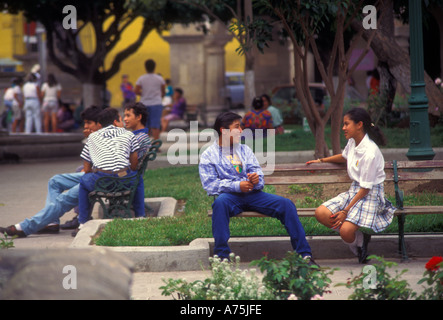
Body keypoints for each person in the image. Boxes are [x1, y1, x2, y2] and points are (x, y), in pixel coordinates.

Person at [199, 111, 317, 266]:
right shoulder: (209, 155)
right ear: (224, 130)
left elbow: (259, 175)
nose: (241, 131)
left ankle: (304, 255)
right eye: (237, 127)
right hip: (229, 197)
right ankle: (221, 258)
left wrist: (255, 180)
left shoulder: (244, 150)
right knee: (220, 204)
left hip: (253, 194)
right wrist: (237, 185)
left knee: (286, 204)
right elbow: (210, 185)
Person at [306, 107, 396, 264]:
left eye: (346, 124)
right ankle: (361, 240)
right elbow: (344, 156)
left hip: (369, 194)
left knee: (345, 231)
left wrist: (345, 211)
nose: (343, 128)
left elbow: (366, 188)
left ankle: (357, 243)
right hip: (355, 190)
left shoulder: (370, 152)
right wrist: (321, 160)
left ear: (359, 125)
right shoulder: (353, 142)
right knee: (321, 213)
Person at [0, 105, 104, 238]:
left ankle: (25, 227)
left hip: (98, 178)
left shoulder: (103, 137)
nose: (86, 127)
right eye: (85, 123)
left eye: (89, 123)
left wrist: (91, 140)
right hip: (92, 174)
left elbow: (90, 168)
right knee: (55, 180)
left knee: (63, 200)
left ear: (99, 124)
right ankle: (52, 222)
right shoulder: (97, 136)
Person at [76, 108, 141, 230]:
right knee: (138, 178)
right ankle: (140, 215)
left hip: (102, 182)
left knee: (83, 181)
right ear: (116, 121)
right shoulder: (128, 134)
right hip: (124, 180)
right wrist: (128, 171)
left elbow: (86, 168)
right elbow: (134, 161)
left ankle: (83, 222)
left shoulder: (92, 137)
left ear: (100, 124)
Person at [134, 59, 165, 140]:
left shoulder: (141, 79)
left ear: (145, 67)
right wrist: (158, 96)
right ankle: (156, 144)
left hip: (144, 103)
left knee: (145, 125)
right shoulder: (159, 78)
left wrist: (143, 94)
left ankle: (145, 145)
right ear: (154, 67)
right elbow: (163, 91)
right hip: (156, 103)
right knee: (155, 125)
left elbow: (136, 91)